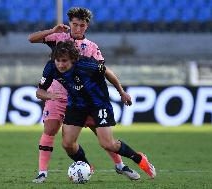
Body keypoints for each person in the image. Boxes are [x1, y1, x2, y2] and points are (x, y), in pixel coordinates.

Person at [29, 7, 136, 183]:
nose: (77, 28)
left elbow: (103, 71)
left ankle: (120, 165)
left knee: (101, 134)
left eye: (82, 25)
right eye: (74, 24)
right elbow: (31, 39)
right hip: (57, 94)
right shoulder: (59, 38)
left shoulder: (92, 47)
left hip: (82, 98)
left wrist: (120, 92)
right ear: (70, 23)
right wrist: (52, 30)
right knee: (50, 130)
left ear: (87, 26)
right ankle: (42, 173)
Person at [36, 41, 156, 181]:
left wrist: (122, 93)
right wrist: (50, 95)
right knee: (67, 144)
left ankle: (139, 158)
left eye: (64, 61)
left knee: (107, 144)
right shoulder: (51, 67)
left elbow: (108, 73)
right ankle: (86, 166)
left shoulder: (87, 64)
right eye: (58, 60)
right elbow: (39, 92)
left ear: (73, 60)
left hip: (98, 104)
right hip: (76, 104)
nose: (60, 64)